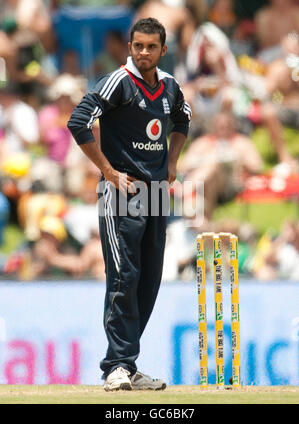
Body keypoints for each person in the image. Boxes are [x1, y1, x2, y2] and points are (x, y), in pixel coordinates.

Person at [67, 18, 191, 391]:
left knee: (149, 281)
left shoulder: (170, 86)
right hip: (121, 195)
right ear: (130, 45)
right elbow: (78, 122)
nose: (143, 53)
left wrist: (172, 164)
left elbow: (183, 119)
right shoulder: (118, 81)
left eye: (151, 47)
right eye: (138, 45)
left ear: (163, 50)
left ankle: (128, 365)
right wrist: (107, 171)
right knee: (124, 278)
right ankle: (116, 366)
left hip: (154, 197)